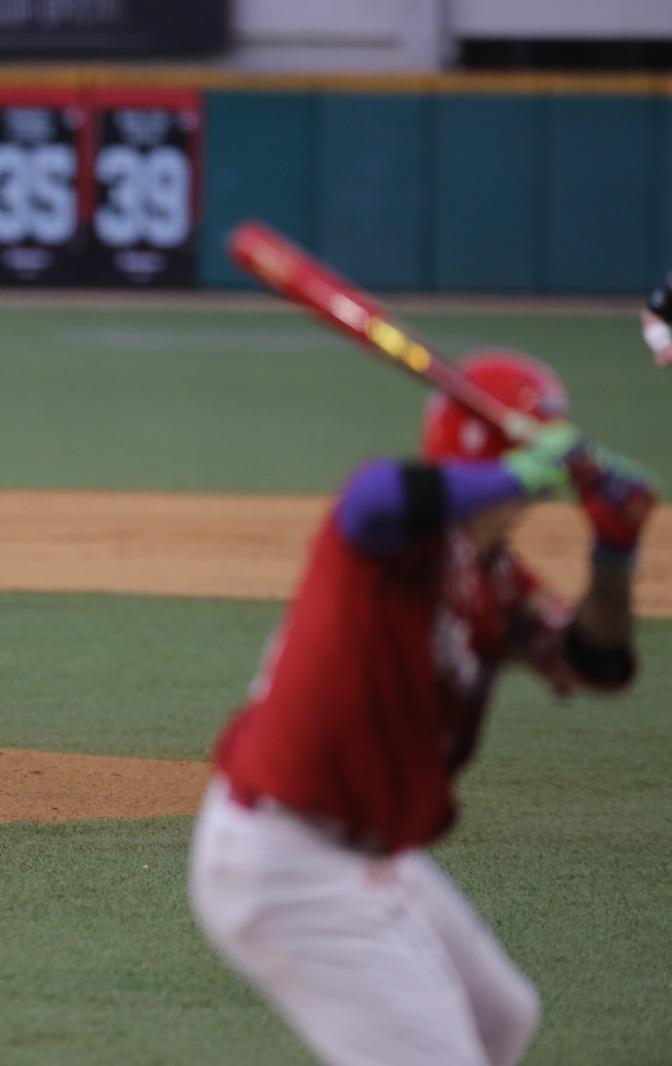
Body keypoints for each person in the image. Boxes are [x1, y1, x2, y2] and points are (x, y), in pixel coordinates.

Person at [188, 351, 655, 1066]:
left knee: (502, 1018)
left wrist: (616, 553)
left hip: (370, 849)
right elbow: (371, 496)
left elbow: (599, 664)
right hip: (285, 857)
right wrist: (526, 471)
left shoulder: (495, 576)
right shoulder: (392, 543)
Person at [642, 273, 672, 368]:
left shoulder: (664, 292)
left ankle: (662, 355)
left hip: (654, 330)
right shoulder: (666, 294)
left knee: (663, 359)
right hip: (656, 329)